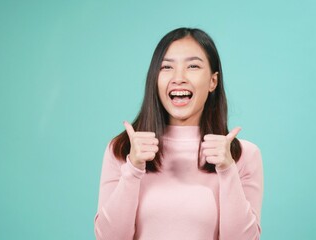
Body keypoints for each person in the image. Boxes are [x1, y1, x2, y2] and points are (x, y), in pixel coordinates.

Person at [94, 27, 263, 240]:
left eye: (193, 66)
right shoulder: (122, 149)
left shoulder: (244, 155)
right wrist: (133, 169)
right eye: (166, 67)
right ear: (155, 79)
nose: (178, 78)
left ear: (213, 81)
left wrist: (228, 170)